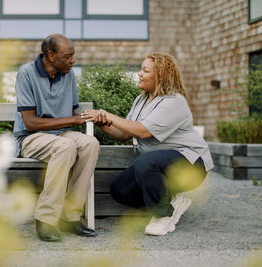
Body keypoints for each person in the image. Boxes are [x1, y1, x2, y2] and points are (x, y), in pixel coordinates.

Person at [81, 52, 214, 236]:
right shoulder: (141, 100)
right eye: (140, 69)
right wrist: (102, 123)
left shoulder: (174, 101)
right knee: (119, 189)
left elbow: (143, 131)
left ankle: (162, 215)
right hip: (158, 164)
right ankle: (170, 202)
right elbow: (124, 134)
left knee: (145, 162)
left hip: (191, 163)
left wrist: (110, 115)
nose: (139, 74)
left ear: (161, 75)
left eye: (145, 70)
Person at [14, 33, 100, 242]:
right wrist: (73, 120)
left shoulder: (67, 74)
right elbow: (31, 122)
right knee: (65, 147)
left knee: (90, 143)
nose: (72, 61)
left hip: (60, 135)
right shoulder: (26, 73)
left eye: (73, 55)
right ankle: (46, 219)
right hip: (30, 137)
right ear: (51, 56)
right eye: (68, 56)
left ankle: (70, 216)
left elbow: (70, 114)